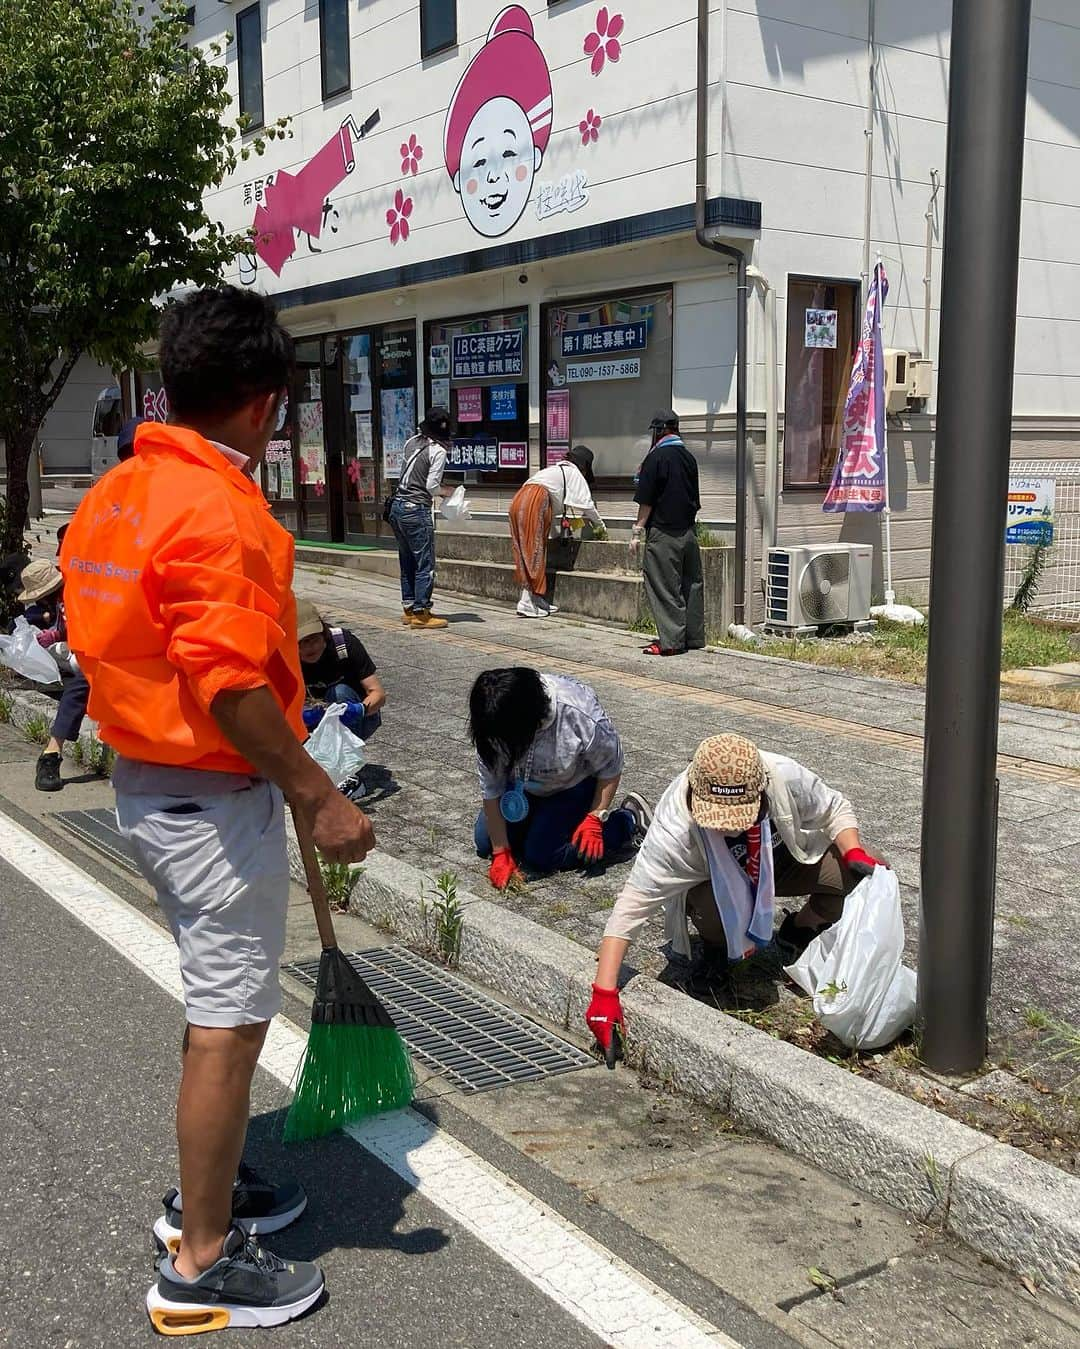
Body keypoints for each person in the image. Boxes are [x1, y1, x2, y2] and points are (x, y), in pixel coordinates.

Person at [61, 285, 374, 1333]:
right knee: (229, 1022)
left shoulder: (123, 489)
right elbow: (228, 680)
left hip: (151, 778)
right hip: (209, 791)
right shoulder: (220, 509)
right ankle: (198, 1260)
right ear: (264, 403)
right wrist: (315, 787)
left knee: (216, 1001)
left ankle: (212, 1186)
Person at [584, 733, 887, 1055]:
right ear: (693, 797)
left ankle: (799, 929)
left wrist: (853, 851)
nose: (729, 828)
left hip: (776, 859)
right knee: (712, 913)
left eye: (740, 816)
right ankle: (717, 951)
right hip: (713, 881)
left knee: (867, 872)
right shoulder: (674, 829)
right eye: (717, 819)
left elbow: (834, 808)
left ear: (762, 790)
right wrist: (604, 993)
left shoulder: (782, 775)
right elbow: (633, 905)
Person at [470, 666, 650, 885]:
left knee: (541, 857)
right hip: (520, 787)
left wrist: (595, 815)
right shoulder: (491, 721)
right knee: (485, 842)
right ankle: (536, 825)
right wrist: (500, 852)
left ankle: (627, 820)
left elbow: (611, 767)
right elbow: (492, 789)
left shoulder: (579, 713)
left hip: (572, 786)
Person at [630, 411, 705, 656]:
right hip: (689, 532)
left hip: (664, 533)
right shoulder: (688, 457)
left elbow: (647, 499)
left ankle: (671, 642)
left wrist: (637, 530)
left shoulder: (657, 457)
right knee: (691, 585)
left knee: (663, 586)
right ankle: (693, 638)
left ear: (658, 431)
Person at [16, 558, 91, 793]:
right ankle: (51, 753)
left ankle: (51, 752)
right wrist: (49, 637)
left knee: (82, 679)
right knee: (80, 683)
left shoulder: (77, 595)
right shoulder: (62, 602)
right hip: (89, 658)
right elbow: (64, 629)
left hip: (105, 653)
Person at [508, 445, 607, 618]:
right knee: (534, 550)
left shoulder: (554, 470)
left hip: (519, 499)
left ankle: (536, 599)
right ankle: (525, 602)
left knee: (526, 550)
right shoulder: (574, 473)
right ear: (583, 467)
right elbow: (587, 506)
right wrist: (601, 527)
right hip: (536, 499)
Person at [388, 406, 453, 631]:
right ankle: (421, 613)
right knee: (425, 563)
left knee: (407, 562)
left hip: (397, 507)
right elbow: (431, 487)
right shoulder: (438, 451)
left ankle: (409, 608)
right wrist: (449, 492)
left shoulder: (412, 441)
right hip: (416, 510)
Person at [296, 598, 385, 743]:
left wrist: (360, 709)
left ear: (323, 631)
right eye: (302, 642)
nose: (310, 646)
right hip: (306, 723)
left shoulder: (342, 643)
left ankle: (344, 756)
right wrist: (299, 717)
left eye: (314, 638)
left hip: (356, 717)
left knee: (340, 692)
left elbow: (378, 694)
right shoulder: (282, 657)